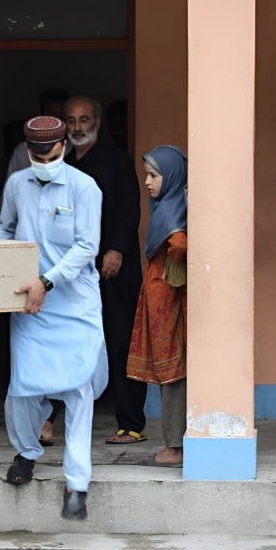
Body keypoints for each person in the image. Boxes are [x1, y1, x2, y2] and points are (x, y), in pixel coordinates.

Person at [0, 116, 107, 521]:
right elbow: (4, 230)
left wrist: (47, 280)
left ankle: (77, 484)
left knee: (77, 390)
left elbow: (86, 247)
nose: (44, 159)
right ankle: (26, 453)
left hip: (73, 304)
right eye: (37, 153)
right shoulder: (16, 184)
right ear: (28, 151)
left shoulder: (84, 187)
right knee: (23, 386)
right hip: (29, 303)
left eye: (51, 152)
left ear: (65, 147)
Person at [39, 95, 147, 447]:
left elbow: (130, 211)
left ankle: (130, 423)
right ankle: (48, 418)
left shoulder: (117, 162)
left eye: (84, 120)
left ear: (96, 123)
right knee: (67, 342)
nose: (77, 128)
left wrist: (116, 250)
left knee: (119, 343)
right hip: (73, 272)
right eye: (70, 121)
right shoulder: (61, 164)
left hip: (113, 270)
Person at [127, 145, 188, 468]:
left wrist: (174, 262)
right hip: (161, 299)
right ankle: (175, 444)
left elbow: (179, 242)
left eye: (153, 175)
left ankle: (174, 448)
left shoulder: (171, 211)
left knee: (171, 373)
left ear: (172, 176)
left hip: (167, 303)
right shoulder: (171, 206)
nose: (147, 182)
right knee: (172, 372)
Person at [6, 89, 69, 177]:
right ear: (41, 114)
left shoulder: (74, 149)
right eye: (51, 112)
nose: (56, 118)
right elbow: (12, 188)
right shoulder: (22, 151)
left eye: (61, 113)